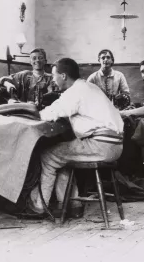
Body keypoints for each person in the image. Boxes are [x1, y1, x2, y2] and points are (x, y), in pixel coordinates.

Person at [26, 58, 124, 218]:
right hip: (115, 146)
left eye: (54, 76)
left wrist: (31, 111)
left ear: (63, 76)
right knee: (61, 156)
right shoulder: (89, 87)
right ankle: (73, 205)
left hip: (101, 146)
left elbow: (50, 113)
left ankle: (38, 206)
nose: (53, 79)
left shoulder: (75, 92)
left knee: (48, 156)